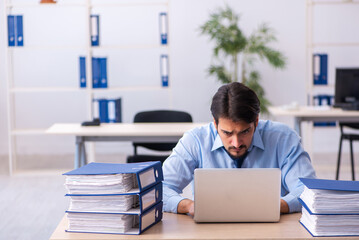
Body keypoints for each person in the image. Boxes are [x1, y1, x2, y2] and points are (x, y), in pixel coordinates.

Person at [162, 82, 316, 216]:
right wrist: (188, 205)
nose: (236, 143)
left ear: (256, 122)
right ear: (215, 124)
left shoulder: (283, 138)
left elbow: (307, 189)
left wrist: (277, 206)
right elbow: (160, 188)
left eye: (245, 132)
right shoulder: (195, 141)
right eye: (227, 133)